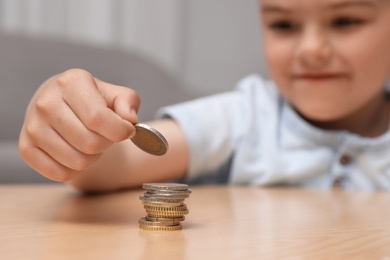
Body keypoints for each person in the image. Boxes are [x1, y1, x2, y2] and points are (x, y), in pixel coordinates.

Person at [19, 0, 390, 192]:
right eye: (284, 25)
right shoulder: (245, 116)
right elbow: (117, 165)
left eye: (345, 21)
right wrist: (74, 129)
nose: (310, 50)